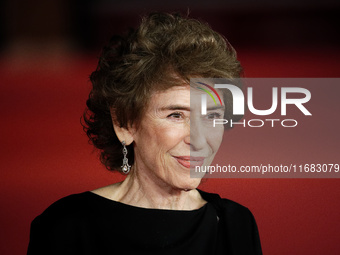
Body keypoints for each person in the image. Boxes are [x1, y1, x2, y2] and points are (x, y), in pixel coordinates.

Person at [27, 12, 262, 255]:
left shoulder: (236, 225)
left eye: (212, 116)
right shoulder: (67, 228)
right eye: (176, 115)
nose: (200, 139)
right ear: (125, 124)